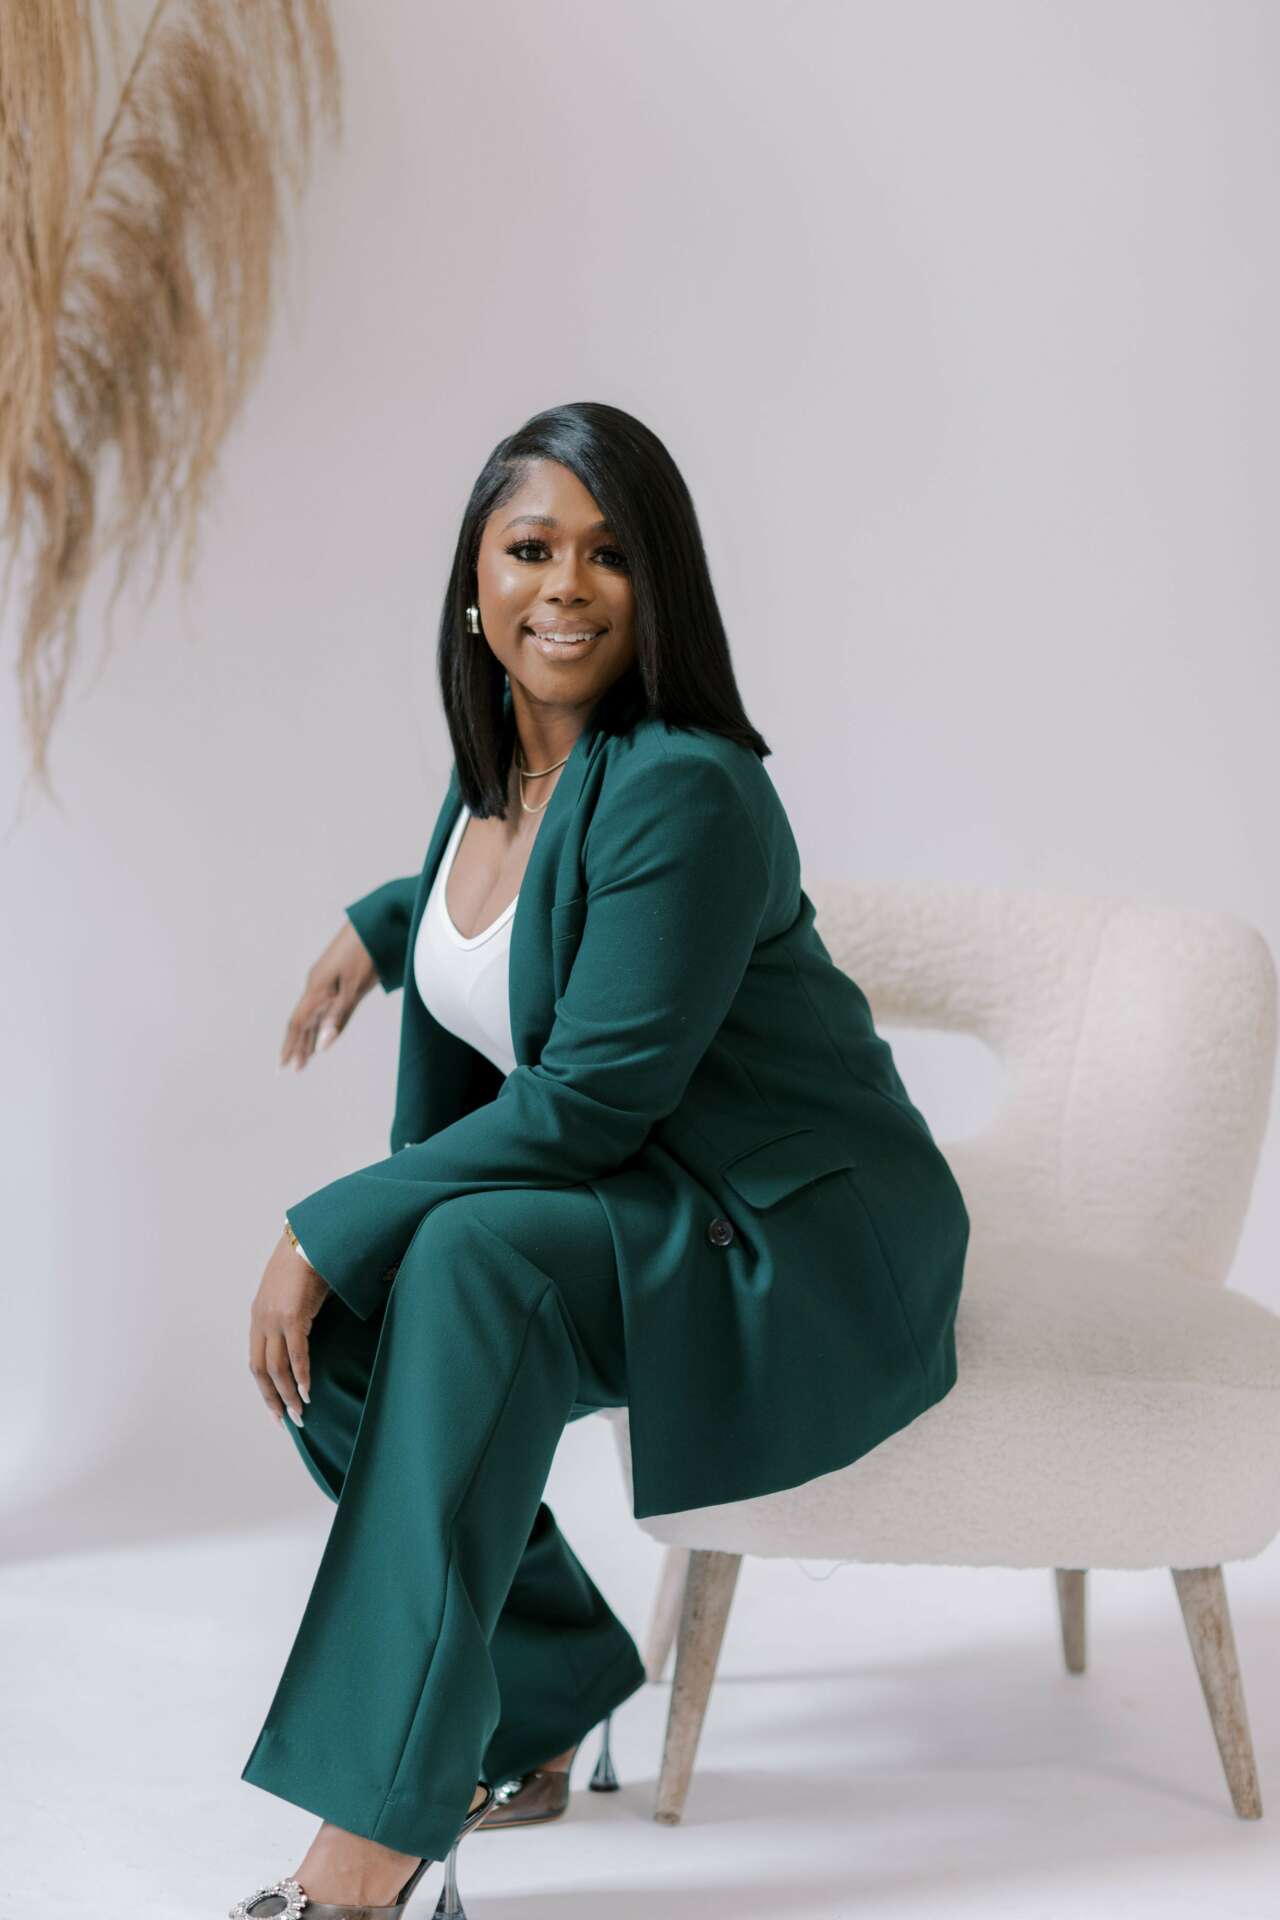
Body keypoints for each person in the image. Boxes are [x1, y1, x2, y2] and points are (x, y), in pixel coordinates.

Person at [230, 400, 970, 1919]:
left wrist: (319, 1225)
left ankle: (368, 1847)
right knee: (355, 1333)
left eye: (610, 553)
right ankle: (548, 1686)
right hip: (660, 1202)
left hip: (795, 1236)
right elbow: (525, 904)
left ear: (658, 588)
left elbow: (585, 1104)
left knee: (457, 1251)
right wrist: (388, 923)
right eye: (532, 547)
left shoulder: (689, 783)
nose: (567, 583)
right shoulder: (495, 776)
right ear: (475, 585)